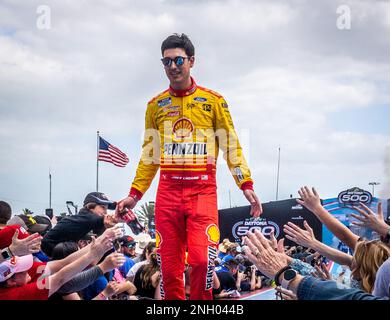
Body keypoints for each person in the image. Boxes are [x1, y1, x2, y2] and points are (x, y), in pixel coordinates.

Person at [117, 33, 262, 300]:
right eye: (167, 61)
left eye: (178, 60)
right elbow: (150, 157)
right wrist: (134, 194)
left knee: (202, 262)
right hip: (168, 193)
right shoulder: (155, 105)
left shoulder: (213, 101)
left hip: (202, 191)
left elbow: (231, 145)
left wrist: (246, 184)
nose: (173, 67)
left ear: (191, 61)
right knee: (170, 270)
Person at [41, 192, 118, 257]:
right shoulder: (77, 220)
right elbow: (88, 219)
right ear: (90, 207)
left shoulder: (90, 223)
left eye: (106, 209)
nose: (106, 213)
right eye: (103, 207)